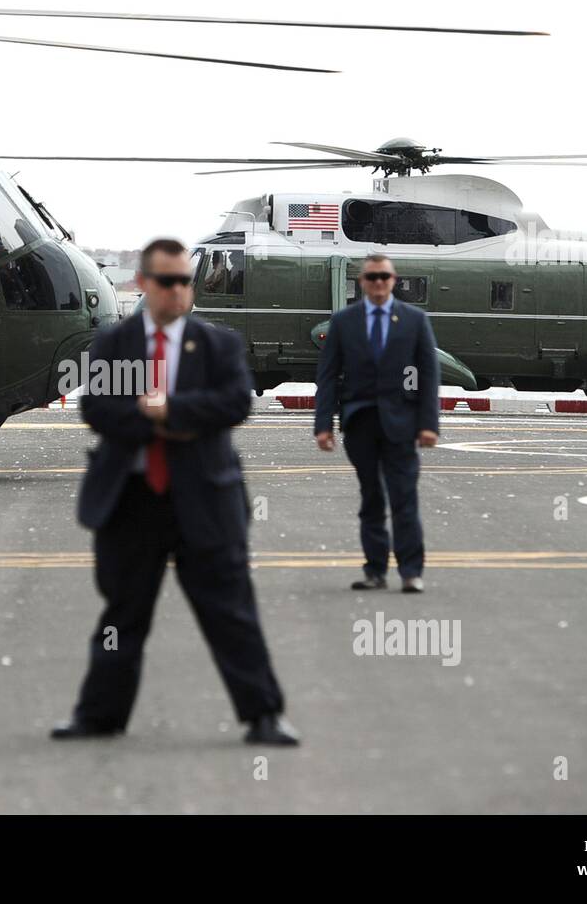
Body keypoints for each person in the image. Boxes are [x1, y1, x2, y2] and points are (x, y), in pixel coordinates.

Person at [52, 237, 297, 746]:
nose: (179, 290)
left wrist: (173, 412)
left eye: (186, 281)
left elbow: (234, 403)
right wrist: (146, 414)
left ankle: (264, 715)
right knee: (123, 614)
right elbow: (97, 410)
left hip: (204, 499)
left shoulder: (218, 345)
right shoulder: (114, 345)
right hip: (132, 501)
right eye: (168, 281)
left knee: (230, 611)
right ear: (143, 284)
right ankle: (99, 716)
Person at [314, 253, 440, 593]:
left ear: (393, 280)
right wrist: (322, 425)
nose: (379, 282)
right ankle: (375, 570)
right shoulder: (343, 322)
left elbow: (429, 375)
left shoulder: (414, 320)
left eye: (384, 276)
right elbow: (327, 377)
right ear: (362, 282)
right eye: (372, 277)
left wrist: (430, 424)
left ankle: (411, 571)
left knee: (404, 498)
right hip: (360, 423)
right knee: (371, 498)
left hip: (403, 422)